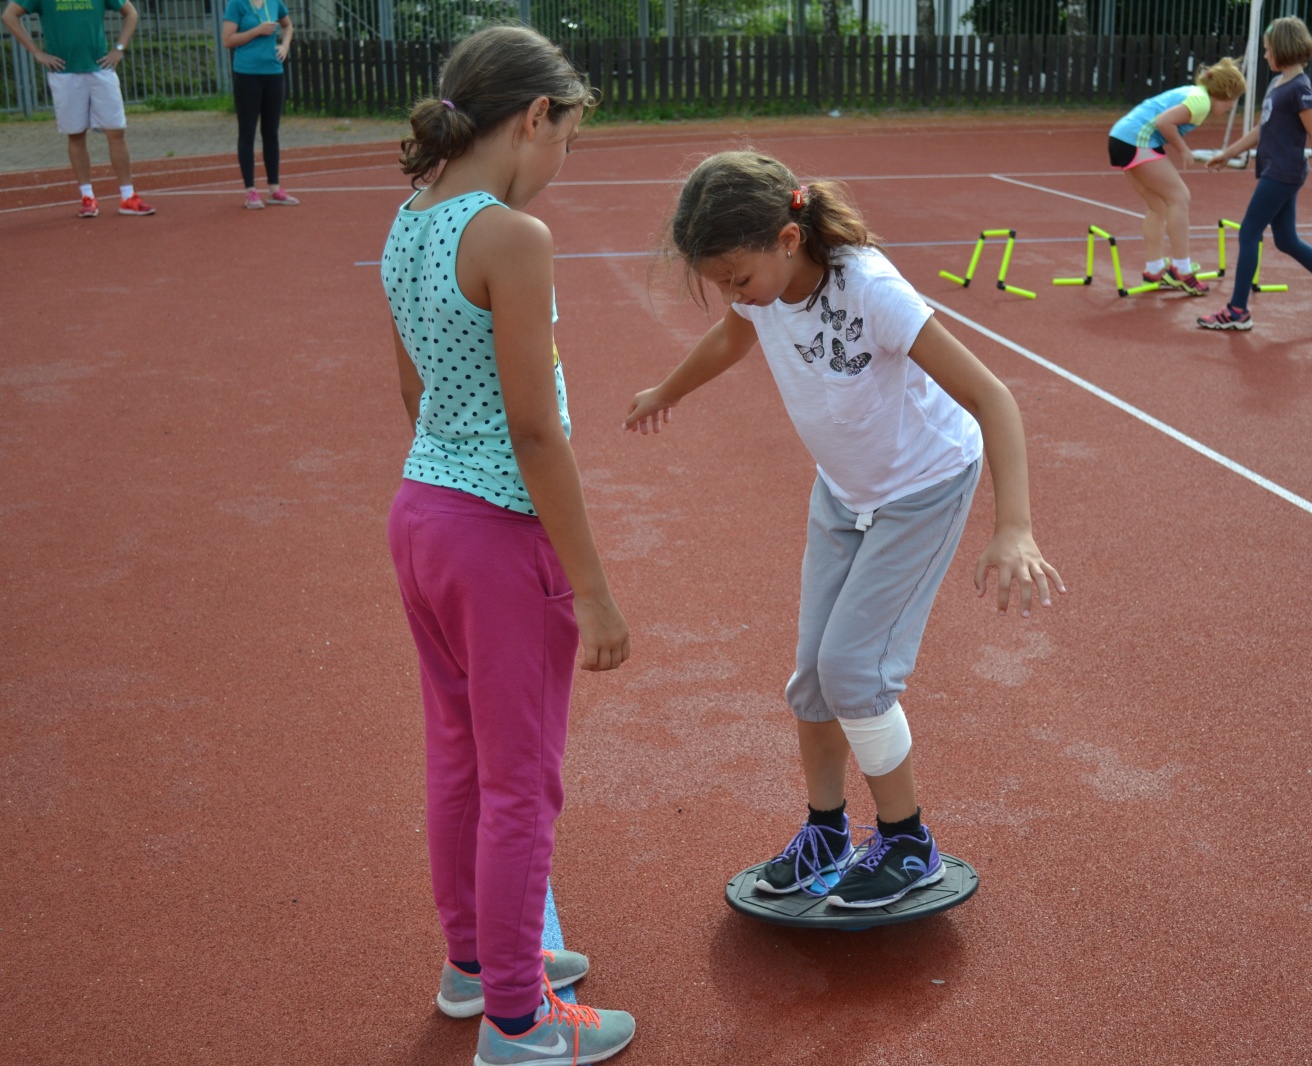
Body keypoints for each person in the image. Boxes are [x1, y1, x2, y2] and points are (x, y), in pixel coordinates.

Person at [624, 151, 1064, 912]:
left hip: (922, 488)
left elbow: (992, 397)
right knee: (812, 680)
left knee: (855, 672)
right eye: (722, 284)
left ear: (788, 240)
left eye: (737, 278)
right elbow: (732, 335)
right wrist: (669, 389)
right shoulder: (761, 290)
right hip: (844, 492)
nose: (735, 295)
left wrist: (1014, 528)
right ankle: (827, 833)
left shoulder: (872, 291)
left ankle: (907, 842)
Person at [379, 25, 635, 1066]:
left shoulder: (409, 217)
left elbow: (416, 392)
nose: (563, 157)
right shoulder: (511, 237)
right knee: (521, 781)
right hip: (494, 536)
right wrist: (593, 588)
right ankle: (520, 1022)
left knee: (459, 758)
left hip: (423, 517)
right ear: (535, 117)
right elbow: (536, 431)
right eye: (567, 136)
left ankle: (476, 967)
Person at [1198, 17, 1312, 331]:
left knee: (1248, 232)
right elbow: (1261, 129)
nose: (1265, 55)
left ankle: (1237, 310)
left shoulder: (1300, 88)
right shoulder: (1277, 84)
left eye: (1268, 50)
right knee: (1287, 240)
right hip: (1275, 170)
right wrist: (1228, 153)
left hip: (1283, 172)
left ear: (1284, 49)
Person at [1, 0, 155, 217]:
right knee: (76, 134)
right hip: (65, 73)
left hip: (101, 69)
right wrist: (36, 52)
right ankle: (87, 197)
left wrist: (119, 48)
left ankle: (128, 196)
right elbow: (9, 15)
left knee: (116, 131)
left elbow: (131, 13)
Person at [1106, 58, 1247, 295]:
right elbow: (1164, 122)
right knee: (1180, 198)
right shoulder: (1201, 102)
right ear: (1224, 93)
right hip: (1135, 140)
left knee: (1158, 206)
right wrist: (1183, 149)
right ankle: (1181, 269)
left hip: (1121, 138)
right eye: (1234, 99)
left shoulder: (1194, 93)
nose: (1233, 106)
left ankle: (1154, 269)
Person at [222, 0, 298, 208]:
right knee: (247, 131)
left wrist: (285, 45)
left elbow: (288, 25)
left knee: (271, 131)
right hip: (247, 74)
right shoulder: (237, 4)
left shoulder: (274, 2)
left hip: (273, 73)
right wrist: (257, 30)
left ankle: (274, 188)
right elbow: (227, 40)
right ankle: (250, 191)